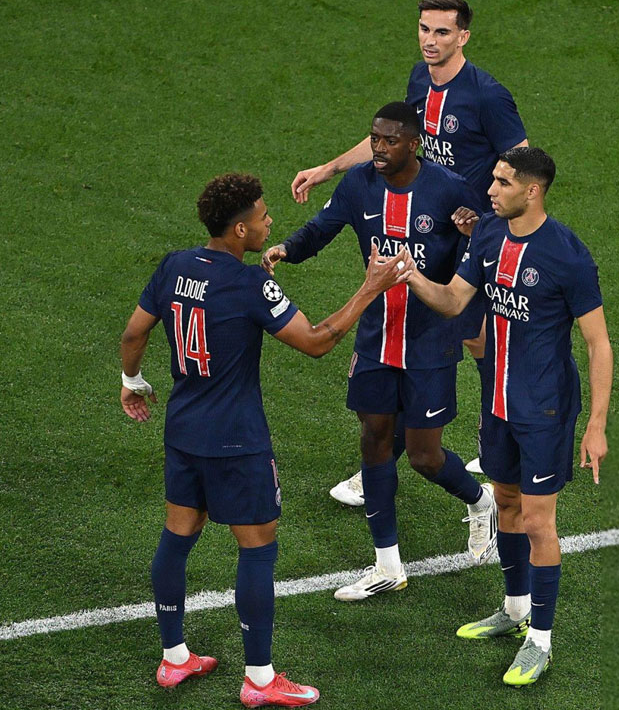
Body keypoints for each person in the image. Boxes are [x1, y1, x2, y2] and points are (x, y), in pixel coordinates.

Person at [119, 173, 407, 707]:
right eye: (262, 216)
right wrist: (371, 288)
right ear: (239, 229)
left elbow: (134, 332)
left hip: (183, 431)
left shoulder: (175, 265)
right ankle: (259, 678)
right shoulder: (249, 283)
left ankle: (174, 657)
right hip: (236, 440)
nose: (270, 222)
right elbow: (317, 342)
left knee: (177, 536)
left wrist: (132, 381)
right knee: (257, 547)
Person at [287, 0, 528, 507]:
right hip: (428, 232)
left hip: (470, 237)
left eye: (442, 32)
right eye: (424, 29)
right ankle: (383, 459)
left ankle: (494, 444)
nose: (430, 41)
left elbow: (523, 167)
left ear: (463, 36)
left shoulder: (488, 96)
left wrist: (493, 224)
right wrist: (329, 168)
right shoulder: (420, 79)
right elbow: (393, 141)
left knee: (476, 336)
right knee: (442, 338)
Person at [261, 103, 498, 601]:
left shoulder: (450, 189)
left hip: (430, 343)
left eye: (390, 141)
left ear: (414, 143)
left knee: (424, 457)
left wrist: (473, 232)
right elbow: (322, 227)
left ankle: (481, 501)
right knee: (374, 439)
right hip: (376, 337)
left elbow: (488, 246)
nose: (379, 148)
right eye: (374, 139)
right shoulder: (359, 184)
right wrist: (287, 248)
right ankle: (387, 565)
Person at [397, 147, 612, 686]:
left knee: (539, 521)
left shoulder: (568, 255)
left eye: (502, 182)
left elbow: (598, 343)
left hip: (545, 409)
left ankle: (541, 640)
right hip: (496, 404)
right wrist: (410, 275)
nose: (490, 190)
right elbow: (453, 299)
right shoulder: (490, 233)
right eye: (493, 179)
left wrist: (596, 425)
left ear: (532, 191)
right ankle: (515, 609)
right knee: (508, 504)